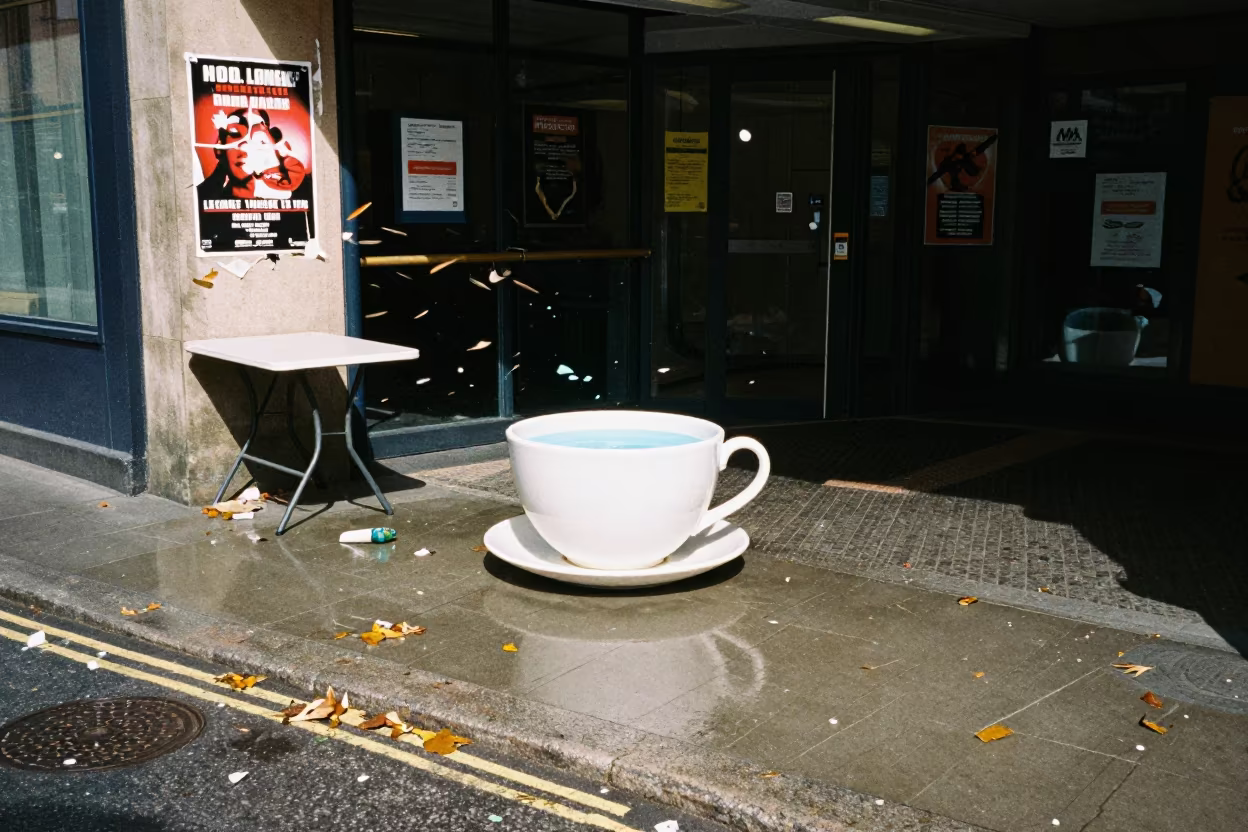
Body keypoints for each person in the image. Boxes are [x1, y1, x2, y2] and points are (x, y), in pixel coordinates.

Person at [197, 108, 311, 203]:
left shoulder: (298, 187)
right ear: (219, 148)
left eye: (259, 139)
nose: (246, 146)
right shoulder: (202, 197)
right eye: (236, 133)